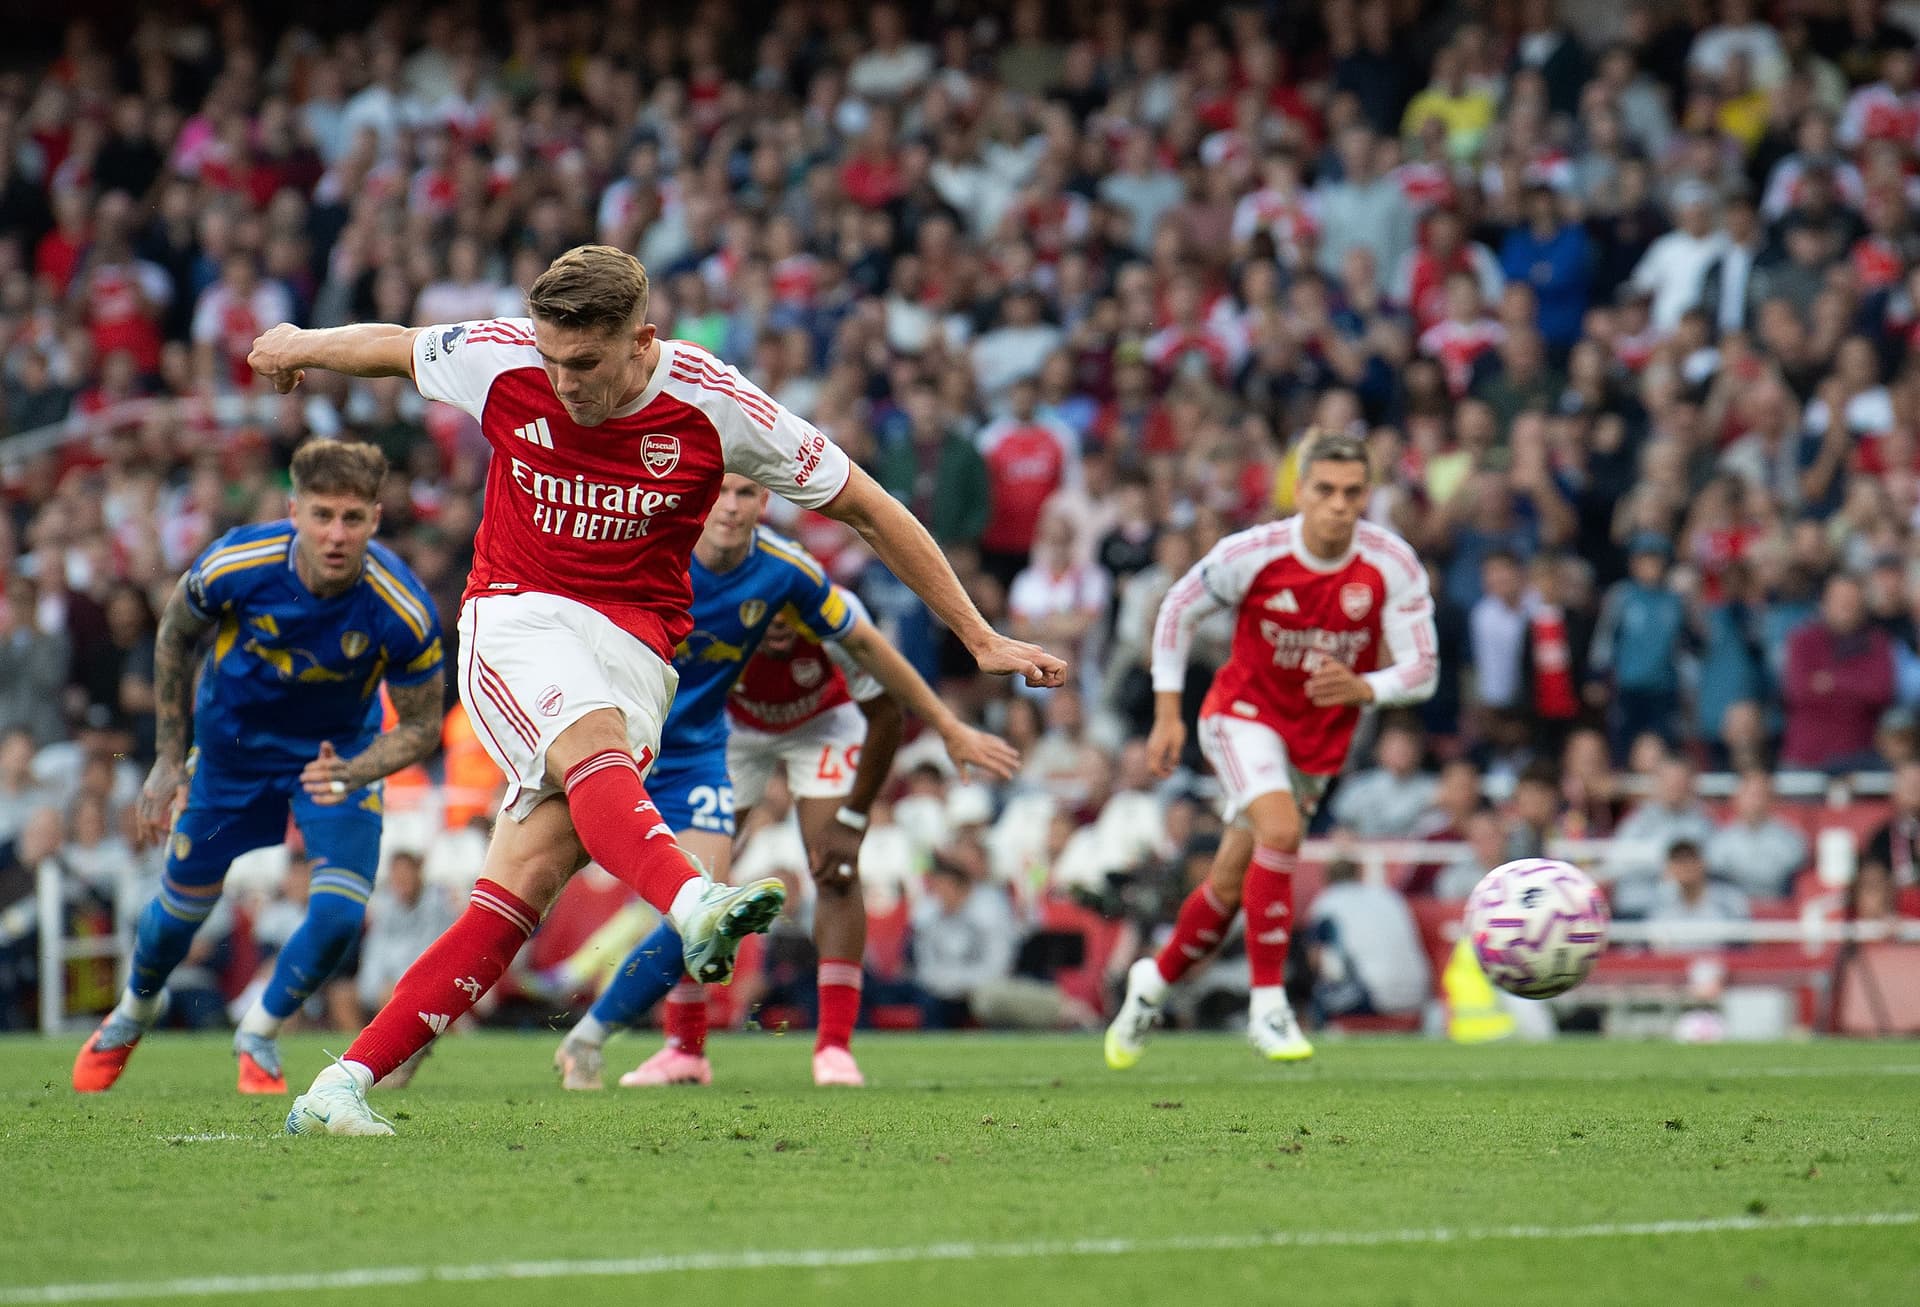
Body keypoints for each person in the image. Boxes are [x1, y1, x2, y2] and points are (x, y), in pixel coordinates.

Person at [247, 244, 1061, 1135]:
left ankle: (341, 1085)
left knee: (520, 887)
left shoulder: (715, 403)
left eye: (584, 362)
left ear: (643, 342)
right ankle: (693, 900)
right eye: (551, 358)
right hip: (516, 613)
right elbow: (395, 345)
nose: (562, 381)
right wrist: (297, 342)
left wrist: (977, 634)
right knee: (591, 743)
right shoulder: (501, 356)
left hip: (637, 652)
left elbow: (867, 504)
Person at [552, 476, 1015, 1090]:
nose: (731, 506)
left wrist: (859, 813)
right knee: (696, 885)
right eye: (722, 494)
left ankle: (834, 1048)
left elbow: (884, 713)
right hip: (734, 730)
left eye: (746, 494)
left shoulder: (814, 599)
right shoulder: (677, 576)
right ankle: (683, 1050)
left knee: (835, 869)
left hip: (822, 725)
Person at [71, 440, 448, 1095]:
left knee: (340, 914)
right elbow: (174, 635)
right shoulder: (237, 563)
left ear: (376, 519)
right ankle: (134, 1010)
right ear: (294, 511)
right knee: (180, 911)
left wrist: (358, 768)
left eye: (352, 518)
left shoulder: (403, 608)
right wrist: (168, 758)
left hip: (333, 760)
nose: (336, 534)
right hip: (231, 756)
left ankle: (260, 1030)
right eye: (322, 515)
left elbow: (422, 725)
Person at [1105, 429, 1439, 1068]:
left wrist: (1366, 687)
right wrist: (1168, 713)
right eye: (1325, 490)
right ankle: (1270, 1006)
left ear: (1367, 494)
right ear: (1300, 491)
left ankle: (1153, 982)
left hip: (1317, 738)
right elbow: (1176, 610)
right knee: (1281, 833)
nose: (1338, 504)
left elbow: (1423, 669)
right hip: (1242, 716)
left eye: (1352, 492)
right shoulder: (1254, 553)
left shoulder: (1391, 563)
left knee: (1231, 883)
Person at [1306, 857, 1432, 1018]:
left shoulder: (1327, 902)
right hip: (1421, 991)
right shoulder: (1389, 896)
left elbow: (1314, 959)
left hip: (1374, 993)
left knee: (1318, 999)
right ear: (1360, 874)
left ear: (1326, 878)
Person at [1703, 768, 1808, 899]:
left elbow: (1781, 874)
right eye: (1749, 794)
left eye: (1759, 795)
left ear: (1772, 799)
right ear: (1736, 798)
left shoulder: (1790, 838)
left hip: (1776, 903)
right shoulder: (1720, 839)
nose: (1754, 802)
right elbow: (1714, 870)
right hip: (1731, 906)